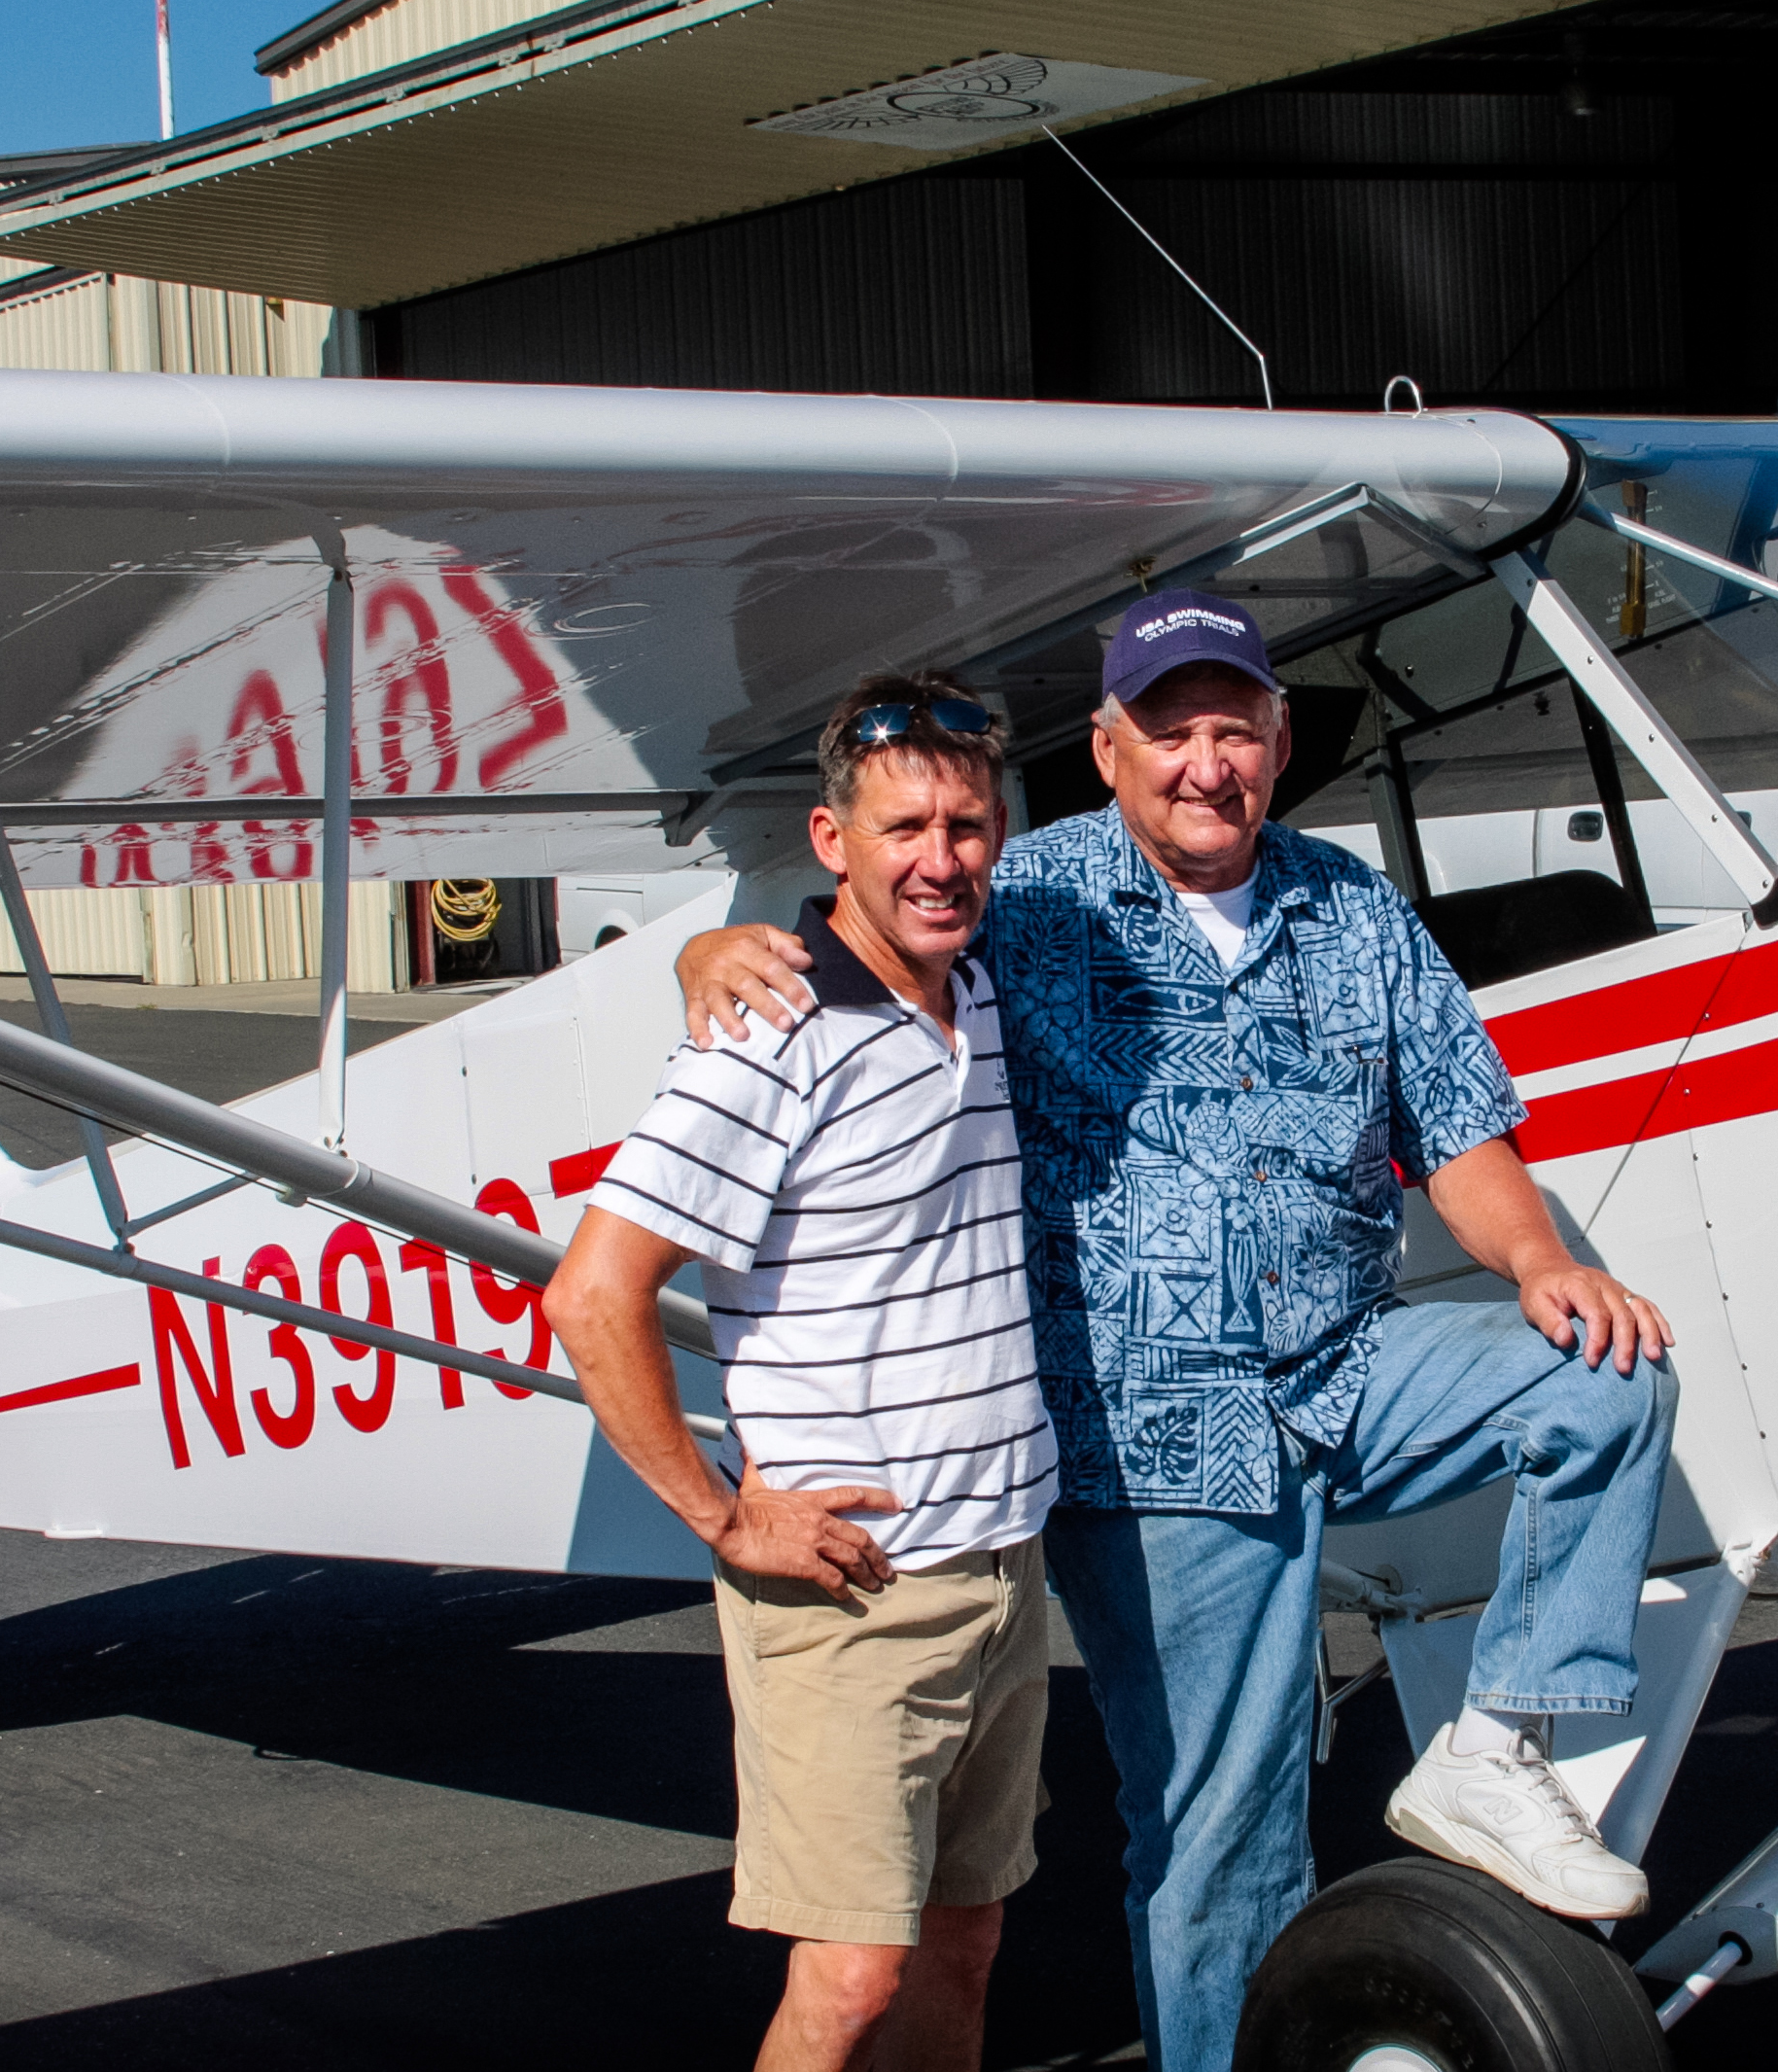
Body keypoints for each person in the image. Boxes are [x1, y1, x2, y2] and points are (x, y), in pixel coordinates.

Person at [680, 592, 1678, 2072]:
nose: (1206, 762)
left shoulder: (1352, 910)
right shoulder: (1026, 905)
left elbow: (1456, 1130)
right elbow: (856, 945)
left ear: (1277, 741)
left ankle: (1497, 1747)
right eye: (1170, 731)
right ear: (1108, 747)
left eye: (1234, 728)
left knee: (1604, 1382)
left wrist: (1539, 1261)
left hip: (1346, 1364)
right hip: (1151, 1441)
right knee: (1227, 1833)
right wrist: (701, 957)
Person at [550, 670, 1056, 2072]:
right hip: (855, 1589)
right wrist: (720, 1512)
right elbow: (594, 1296)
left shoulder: (987, 994)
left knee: (965, 1942)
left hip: (1002, 1570)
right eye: (902, 829)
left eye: (963, 824)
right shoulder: (770, 1033)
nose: (938, 859)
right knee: (847, 1982)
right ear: (832, 842)